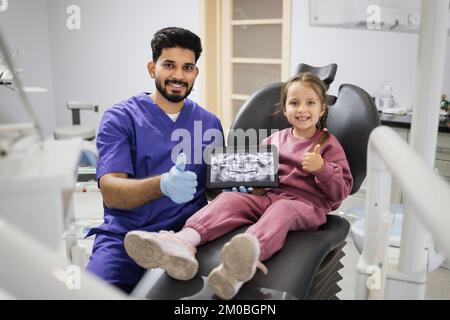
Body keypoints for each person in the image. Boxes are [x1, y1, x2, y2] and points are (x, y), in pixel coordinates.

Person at [124, 73, 353, 299]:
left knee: (283, 209)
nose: (302, 109)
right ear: (285, 110)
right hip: (268, 197)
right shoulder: (274, 140)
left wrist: (322, 168)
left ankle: (246, 257)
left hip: (305, 205)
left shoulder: (328, 145)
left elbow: (340, 192)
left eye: (310, 103)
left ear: (322, 109)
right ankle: (183, 242)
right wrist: (250, 185)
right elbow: (259, 175)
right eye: (294, 103)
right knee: (229, 199)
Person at [85, 27, 224, 293]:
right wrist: (162, 185)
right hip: (126, 237)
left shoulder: (209, 122)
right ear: (152, 68)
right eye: (169, 65)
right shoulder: (120, 118)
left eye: (188, 68)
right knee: (92, 292)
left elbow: (213, 189)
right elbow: (112, 192)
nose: (179, 76)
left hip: (185, 239)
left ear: (195, 72)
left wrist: (234, 186)